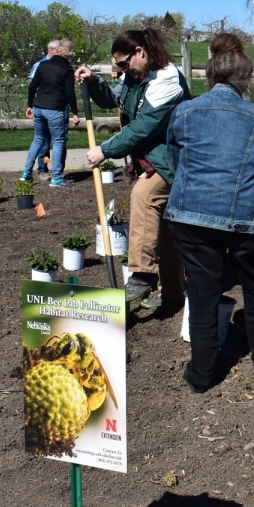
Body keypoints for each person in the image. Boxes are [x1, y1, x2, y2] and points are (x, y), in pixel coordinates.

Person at [164, 33, 254, 393]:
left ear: (209, 75)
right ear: (247, 77)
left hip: (190, 216)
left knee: (203, 294)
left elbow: (176, 164)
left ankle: (201, 375)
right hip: (247, 218)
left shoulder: (184, 111)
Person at [74, 28, 190, 306]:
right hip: (154, 160)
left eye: (124, 63)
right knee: (163, 227)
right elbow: (114, 99)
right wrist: (94, 81)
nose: (121, 69)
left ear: (140, 52)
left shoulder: (167, 80)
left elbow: (142, 127)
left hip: (174, 160)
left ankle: (142, 274)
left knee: (144, 196)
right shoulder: (135, 76)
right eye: (118, 65)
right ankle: (172, 293)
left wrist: (105, 150)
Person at [22, 39, 79, 187]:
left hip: (39, 107)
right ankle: (56, 178)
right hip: (55, 108)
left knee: (38, 139)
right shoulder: (67, 69)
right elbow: (70, 93)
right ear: (69, 53)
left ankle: (26, 173)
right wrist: (75, 112)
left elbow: (32, 86)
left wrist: (30, 105)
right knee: (58, 142)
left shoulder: (43, 65)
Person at [26, 39, 59, 180]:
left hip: (56, 107)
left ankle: (57, 169)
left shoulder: (60, 65)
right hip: (42, 106)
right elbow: (33, 88)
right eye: (59, 50)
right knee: (44, 140)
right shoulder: (39, 65)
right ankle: (42, 168)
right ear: (51, 50)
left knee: (57, 140)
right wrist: (32, 106)